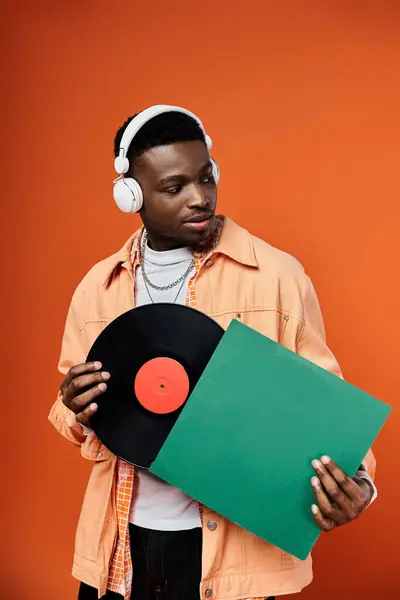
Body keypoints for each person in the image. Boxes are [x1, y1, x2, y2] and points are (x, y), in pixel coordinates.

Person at [49, 105, 377, 600]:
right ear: (130, 195)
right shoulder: (98, 289)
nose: (199, 198)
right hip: (118, 553)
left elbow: (325, 404)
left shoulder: (277, 276)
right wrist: (75, 406)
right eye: (174, 188)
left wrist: (360, 485)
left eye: (206, 178)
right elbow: (75, 421)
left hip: (232, 565)